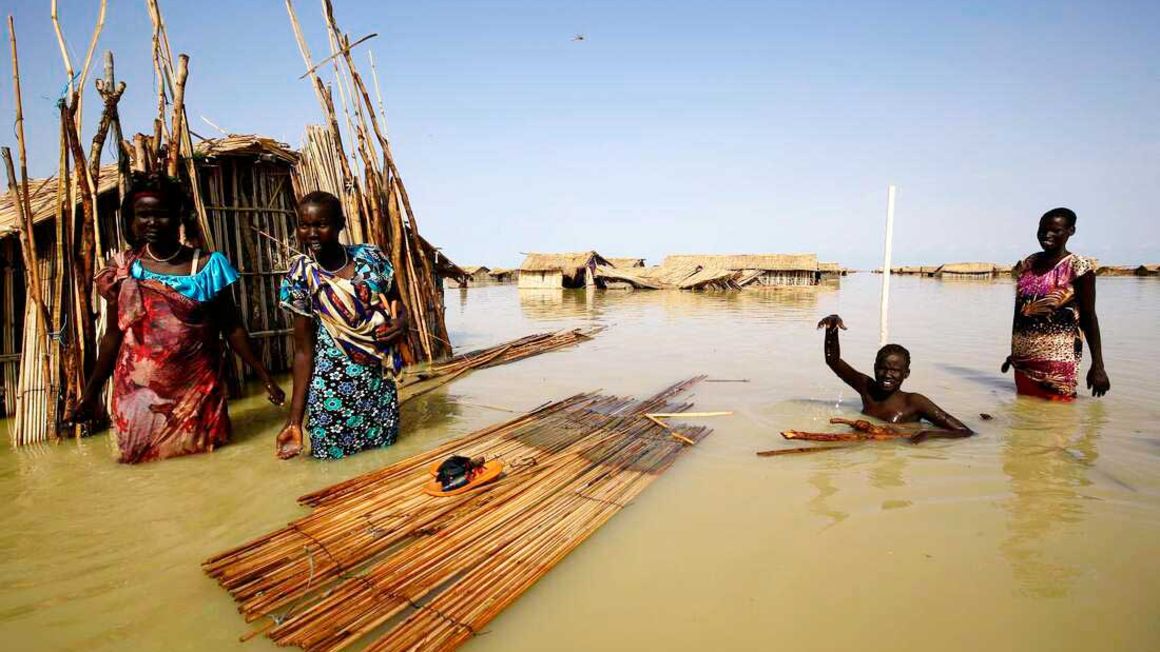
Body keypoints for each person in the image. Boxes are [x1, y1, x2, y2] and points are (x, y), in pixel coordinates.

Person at [67, 173, 285, 463]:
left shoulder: (207, 267)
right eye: (143, 215)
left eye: (162, 214)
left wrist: (264, 375)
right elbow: (112, 336)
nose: (152, 223)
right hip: (138, 399)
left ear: (179, 216)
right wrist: (92, 391)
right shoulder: (123, 271)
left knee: (208, 467)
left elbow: (232, 327)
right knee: (143, 479)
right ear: (132, 219)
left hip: (197, 396)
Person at [274, 191, 407, 460]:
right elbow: (302, 351)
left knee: (385, 464)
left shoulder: (371, 258)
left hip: (377, 388)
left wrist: (401, 323)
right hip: (332, 395)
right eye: (304, 225)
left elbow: (397, 303)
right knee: (331, 472)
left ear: (340, 225)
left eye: (321, 225)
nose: (311, 233)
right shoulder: (301, 277)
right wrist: (294, 421)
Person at [1003, 207, 1109, 400]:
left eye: (1055, 231)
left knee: (1057, 421)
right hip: (1024, 360)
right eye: (1042, 230)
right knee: (1024, 418)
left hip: (1058, 360)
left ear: (1071, 231)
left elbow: (1088, 316)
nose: (1046, 235)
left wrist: (1098, 366)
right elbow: (1020, 311)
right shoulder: (1029, 263)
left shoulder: (1078, 267)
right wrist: (1013, 353)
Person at [817, 314, 972, 443]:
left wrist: (929, 435)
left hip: (898, 452)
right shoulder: (867, 388)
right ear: (875, 368)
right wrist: (831, 331)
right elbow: (833, 362)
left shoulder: (914, 402)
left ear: (906, 374)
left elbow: (964, 431)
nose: (886, 375)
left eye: (894, 370)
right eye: (882, 368)